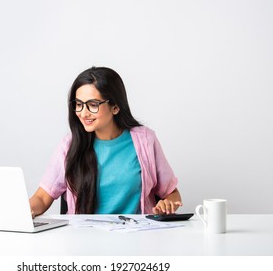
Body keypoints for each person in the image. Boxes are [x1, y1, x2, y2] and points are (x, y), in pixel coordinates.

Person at [29, 66, 182, 216]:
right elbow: (42, 198)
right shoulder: (70, 145)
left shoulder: (145, 140)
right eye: (79, 104)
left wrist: (168, 204)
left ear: (115, 107)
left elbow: (172, 194)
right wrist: (21, 212)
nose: (83, 113)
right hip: (84, 237)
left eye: (93, 105)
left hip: (137, 236)